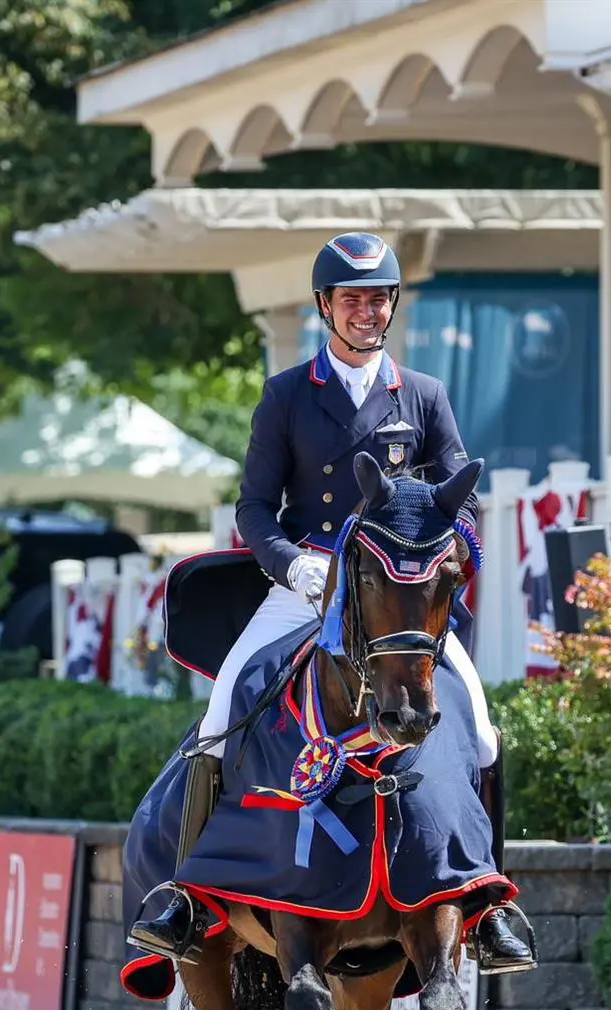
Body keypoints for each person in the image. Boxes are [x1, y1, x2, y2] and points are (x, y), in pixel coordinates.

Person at [129, 232, 533, 972]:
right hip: (308, 584)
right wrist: (292, 566)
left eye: (377, 297)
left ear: (391, 306)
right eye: (352, 299)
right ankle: (186, 898)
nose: (366, 311)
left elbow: (461, 504)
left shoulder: (424, 396)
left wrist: (446, 552)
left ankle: (489, 907)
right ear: (325, 307)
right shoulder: (287, 395)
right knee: (223, 713)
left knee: (480, 733)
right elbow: (253, 508)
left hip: (394, 599)